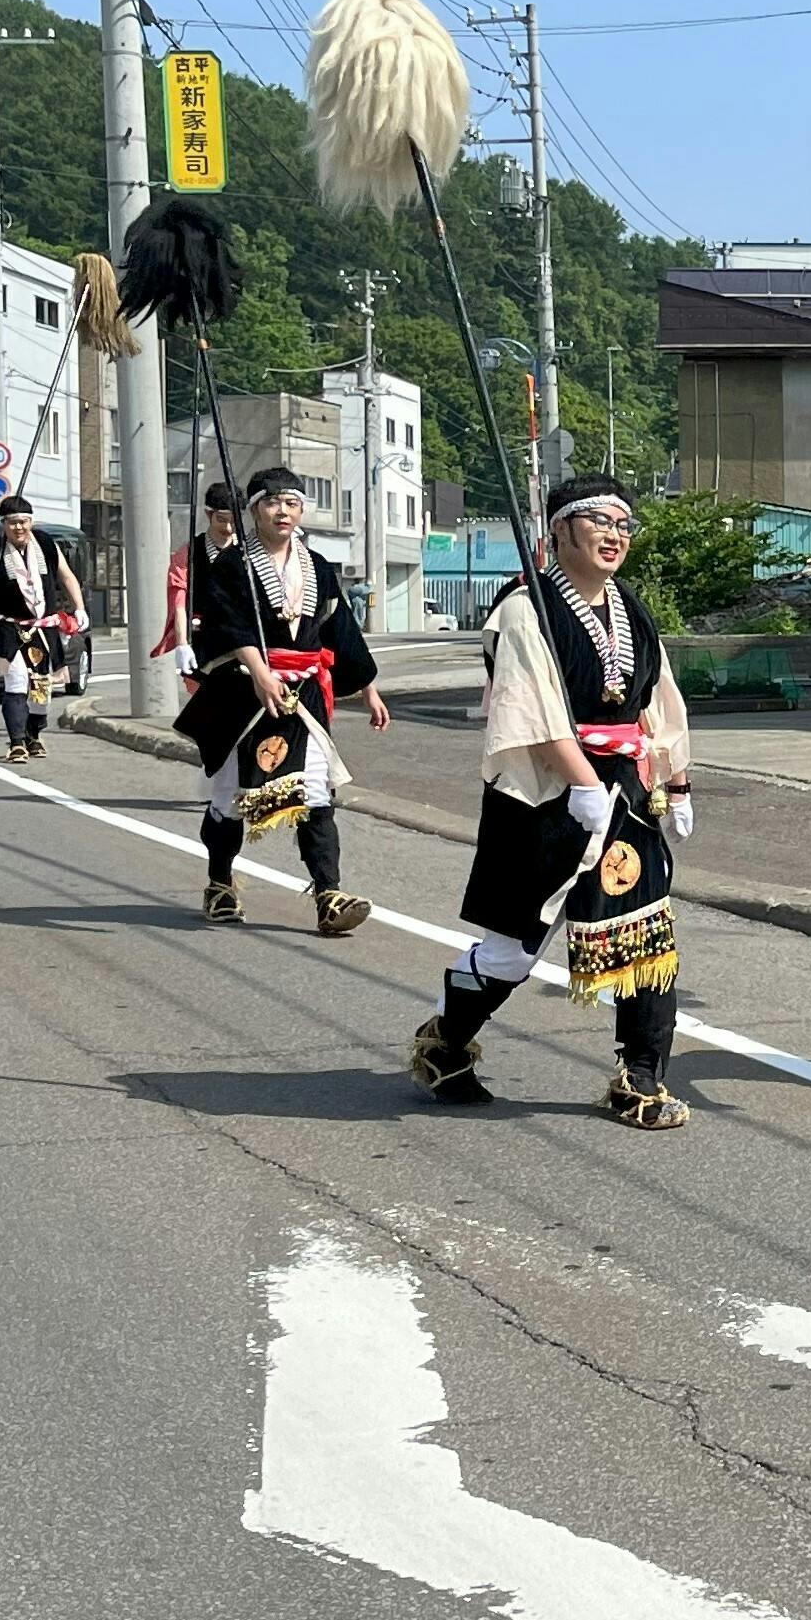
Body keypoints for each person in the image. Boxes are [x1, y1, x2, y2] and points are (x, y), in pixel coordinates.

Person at [409, 476, 696, 1131]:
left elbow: (658, 700)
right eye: (597, 520)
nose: (614, 534)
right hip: (544, 795)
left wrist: (675, 781)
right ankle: (445, 1041)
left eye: (624, 524)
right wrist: (582, 785)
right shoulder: (522, 608)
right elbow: (528, 710)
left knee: (645, 934)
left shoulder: (632, 608)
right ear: (559, 530)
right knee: (515, 949)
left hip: (624, 790)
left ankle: (641, 1077)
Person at [175, 464, 388, 933]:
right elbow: (230, 626)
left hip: (304, 693)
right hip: (246, 694)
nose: (283, 511)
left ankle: (329, 895)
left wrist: (368, 687)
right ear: (254, 511)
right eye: (272, 503)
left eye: (292, 503)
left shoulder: (318, 567)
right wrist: (259, 671)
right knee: (232, 796)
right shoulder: (233, 565)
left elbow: (340, 631)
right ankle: (220, 882)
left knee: (315, 794)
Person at [0, 495, 86, 762]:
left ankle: (34, 735)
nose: (19, 528)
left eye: (23, 522)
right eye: (12, 523)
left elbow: (66, 575)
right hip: (10, 628)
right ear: (3, 524)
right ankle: (16, 741)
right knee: (17, 680)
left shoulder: (45, 542)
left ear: (31, 522)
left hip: (44, 628)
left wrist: (78, 606)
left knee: (41, 687)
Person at [156, 481, 242, 683]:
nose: (228, 528)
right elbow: (179, 603)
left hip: (244, 641)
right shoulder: (189, 554)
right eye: (222, 520)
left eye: (234, 520)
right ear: (208, 514)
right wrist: (182, 643)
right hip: (204, 639)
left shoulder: (249, 552)